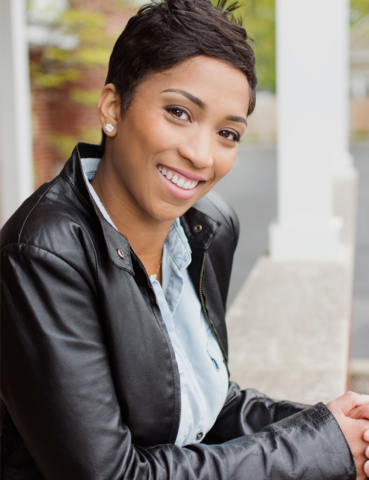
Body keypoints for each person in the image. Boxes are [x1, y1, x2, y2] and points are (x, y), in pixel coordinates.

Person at [1, 0, 369, 478]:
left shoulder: (208, 228)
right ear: (113, 107)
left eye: (228, 133)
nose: (200, 154)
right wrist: (319, 447)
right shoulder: (42, 255)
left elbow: (203, 407)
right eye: (178, 112)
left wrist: (342, 429)